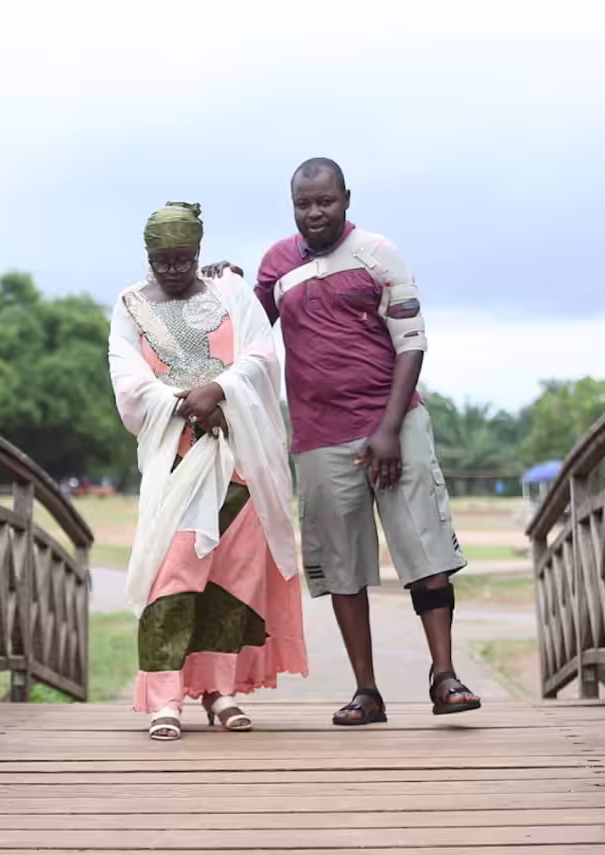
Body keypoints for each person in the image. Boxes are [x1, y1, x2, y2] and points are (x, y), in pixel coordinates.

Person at [204, 159, 480, 724]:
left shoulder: (379, 253)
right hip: (318, 437)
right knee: (343, 565)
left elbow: (412, 344)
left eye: (324, 201)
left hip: (394, 424)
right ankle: (366, 692)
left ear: (346, 199)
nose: (314, 213)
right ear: (293, 207)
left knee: (424, 550)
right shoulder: (277, 264)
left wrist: (387, 430)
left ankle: (445, 676)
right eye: (303, 204)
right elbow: (250, 329)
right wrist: (225, 283)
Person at [109, 202, 307, 740]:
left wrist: (222, 391)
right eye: (161, 260)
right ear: (147, 256)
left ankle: (219, 692)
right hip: (177, 456)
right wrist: (186, 403)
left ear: (198, 253)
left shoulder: (231, 295)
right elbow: (128, 382)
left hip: (240, 459)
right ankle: (164, 698)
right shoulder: (131, 305)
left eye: (182, 259)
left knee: (232, 577)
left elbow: (263, 358)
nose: (172, 270)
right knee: (170, 574)